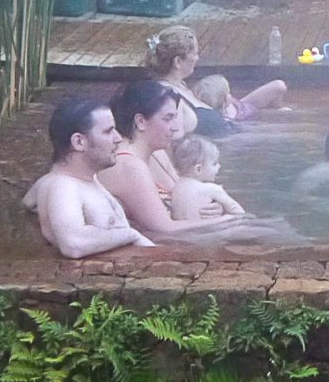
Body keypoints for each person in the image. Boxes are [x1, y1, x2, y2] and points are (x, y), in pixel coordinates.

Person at [100, 78, 285, 244]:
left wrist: (214, 206)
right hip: (160, 245)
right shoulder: (129, 165)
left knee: (275, 228)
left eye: (175, 117)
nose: (175, 127)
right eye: (168, 119)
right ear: (141, 122)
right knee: (271, 234)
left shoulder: (157, 152)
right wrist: (228, 220)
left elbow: (185, 193)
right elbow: (164, 228)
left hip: (175, 236)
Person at [21, 95, 154, 259]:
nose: (118, 138)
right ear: (79, 142)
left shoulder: (79, 179)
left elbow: (28, 201)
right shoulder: (63, 186)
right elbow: (73, 244)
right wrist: (130, 235)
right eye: (108, 131)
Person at [146, 24, 286, 136]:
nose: (197, 58)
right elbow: (172, 141)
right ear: (178, 62)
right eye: (194, 54)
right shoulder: (167, 97)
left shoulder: (180, 85)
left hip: (232, 133)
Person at [166, 134, 249, 224]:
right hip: (208, 232)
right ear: (198, 169)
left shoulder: (176, 187)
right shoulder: (211, 188)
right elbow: (239, 213)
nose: (219, 166)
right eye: (214, 163)